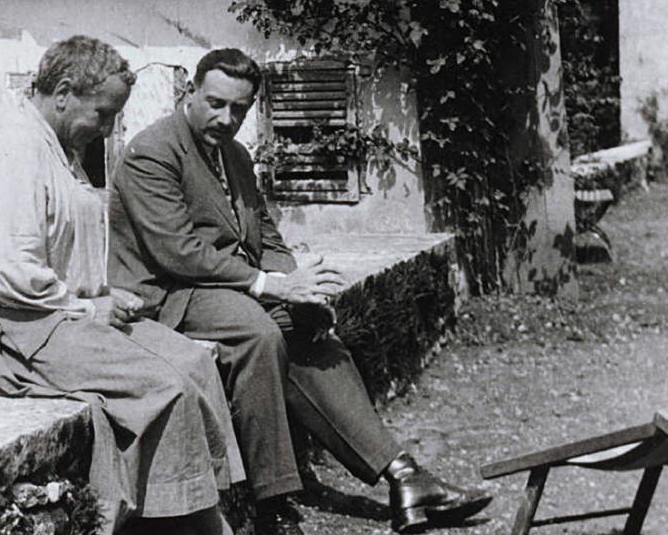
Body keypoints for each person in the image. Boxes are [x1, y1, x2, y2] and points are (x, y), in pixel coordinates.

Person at [108, 48, 492, 535]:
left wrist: (299, 288)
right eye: (215, 103)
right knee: (259, 334)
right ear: (190, 92)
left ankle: (403, 476)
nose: (226, 118)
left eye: (239, 110)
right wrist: (274, 286)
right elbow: (177, 253)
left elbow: (265, 237)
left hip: (226, 288)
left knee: (310, 326)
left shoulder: (235, 155)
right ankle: (274, 504)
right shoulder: (151, 152)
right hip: (168, 297)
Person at [0, 36, 243, 535]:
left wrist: (96, 295)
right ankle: (189, 526)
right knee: (162, 387)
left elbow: (57, 248)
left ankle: (205, 509)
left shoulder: (55, 144)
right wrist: (85, 308)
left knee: (194, 362)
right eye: (103, 114)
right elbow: (9, 270)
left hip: (41, 311)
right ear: (64, 93)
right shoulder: (14, 147)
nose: (109, 127)